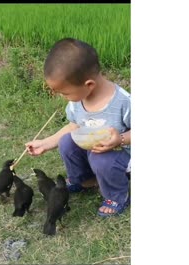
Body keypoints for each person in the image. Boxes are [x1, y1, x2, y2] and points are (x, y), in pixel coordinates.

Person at [25, 38, 131, 217]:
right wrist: (45, 143)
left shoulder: (123, 102)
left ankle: (117, 195)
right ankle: (85, 180)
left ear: (89, 84)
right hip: (95, 149)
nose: (63, 97)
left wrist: (120, 139)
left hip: (122, 155)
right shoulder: (77, 101)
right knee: (67, 142)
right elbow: (73, 127)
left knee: (102, 160)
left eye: (65, 93)